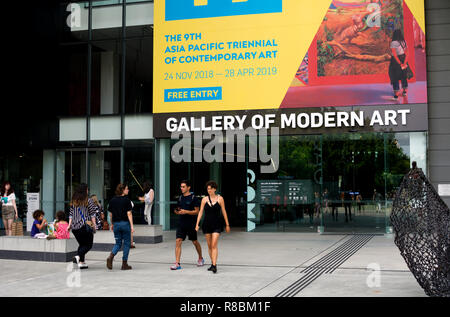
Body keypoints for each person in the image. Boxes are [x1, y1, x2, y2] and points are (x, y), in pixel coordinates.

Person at [195, 181, 230, 274]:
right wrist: (197, 224)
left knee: (214, 245)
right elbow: (200, 212)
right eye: (208, 189)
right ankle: (212, 263)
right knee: (209, 246)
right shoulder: (204, 199)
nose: (209, 190)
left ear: (215, 189)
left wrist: (227, 224)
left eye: (210, 188)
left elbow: (224, 211)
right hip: (207, 224)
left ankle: (214, 265)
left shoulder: (220, 199)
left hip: (217, 224)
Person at [171, 180, 205, 270]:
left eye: (183, 187)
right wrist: (177, 211)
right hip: (181, 223)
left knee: (194, 241)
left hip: (191, 224)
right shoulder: (180, 198)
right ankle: (177, 263)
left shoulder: (194, 198)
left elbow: (197, 211)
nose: (181, 188)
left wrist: (186, 211)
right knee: (178, 240)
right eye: (181, 187)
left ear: (188, 187)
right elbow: (176, 209)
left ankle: (200, 258)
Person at [68, 183, 97, 269]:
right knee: (88, 245)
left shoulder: (74, 201)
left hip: (74, 227)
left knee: (82, 244)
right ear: (85, 190)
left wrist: (69, 225)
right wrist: (94, 226)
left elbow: (71, 214)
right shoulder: (89, 201)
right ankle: (78, 256)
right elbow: (92, 215)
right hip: (85, 226)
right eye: (87, 189)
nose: (88, 191)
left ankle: (82, 262)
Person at [106, 184, 134, 270]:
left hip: (116, 224)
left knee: (118, 243)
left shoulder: (112, 200)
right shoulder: (126, 200)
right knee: (126, 244)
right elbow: (129, 213)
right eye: (126, 189)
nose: (128, 190)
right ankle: (124, 264)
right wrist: (132, 226)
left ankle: (111, 256)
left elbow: (110, 214)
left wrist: (112, 224)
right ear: (122, 190)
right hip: (125, 224)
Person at [389, 29, 409, 100]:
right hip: (403, 58)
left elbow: (394, 54)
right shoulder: (404, 42)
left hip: (395, 61)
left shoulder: (393, 42)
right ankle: (404, 92)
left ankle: (396, 95)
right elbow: (407, 53)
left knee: (395, 77)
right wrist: (404, 63)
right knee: (403, 75)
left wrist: (400, 63)